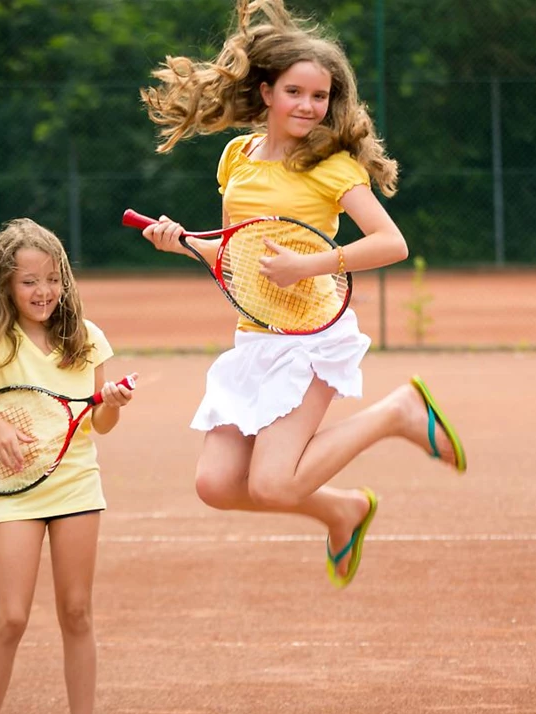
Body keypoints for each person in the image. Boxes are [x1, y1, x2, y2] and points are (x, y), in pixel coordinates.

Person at [134, 0, 466, 589]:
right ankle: (343, 510)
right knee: (216, 486)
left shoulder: (335, 166)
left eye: (320, 96)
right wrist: (182, 242)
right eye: (296, 92)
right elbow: (240, 254)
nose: (309, 106)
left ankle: (397, 413)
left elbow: (392, 243)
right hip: (254, 336)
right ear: (266, 93)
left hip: (312, 336)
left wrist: (309, 264)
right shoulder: (235, 158)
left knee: (272, 484)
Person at [0, 218, 136, 714]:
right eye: (28, 282)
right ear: (5, 285)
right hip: (14, 492)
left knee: (76, 611)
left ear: (64, 280)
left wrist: (109, 404)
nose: (43, 291)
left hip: (75, 486)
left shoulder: (88, 338)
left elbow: (100, 425)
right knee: (12, 616)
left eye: (51, 279)